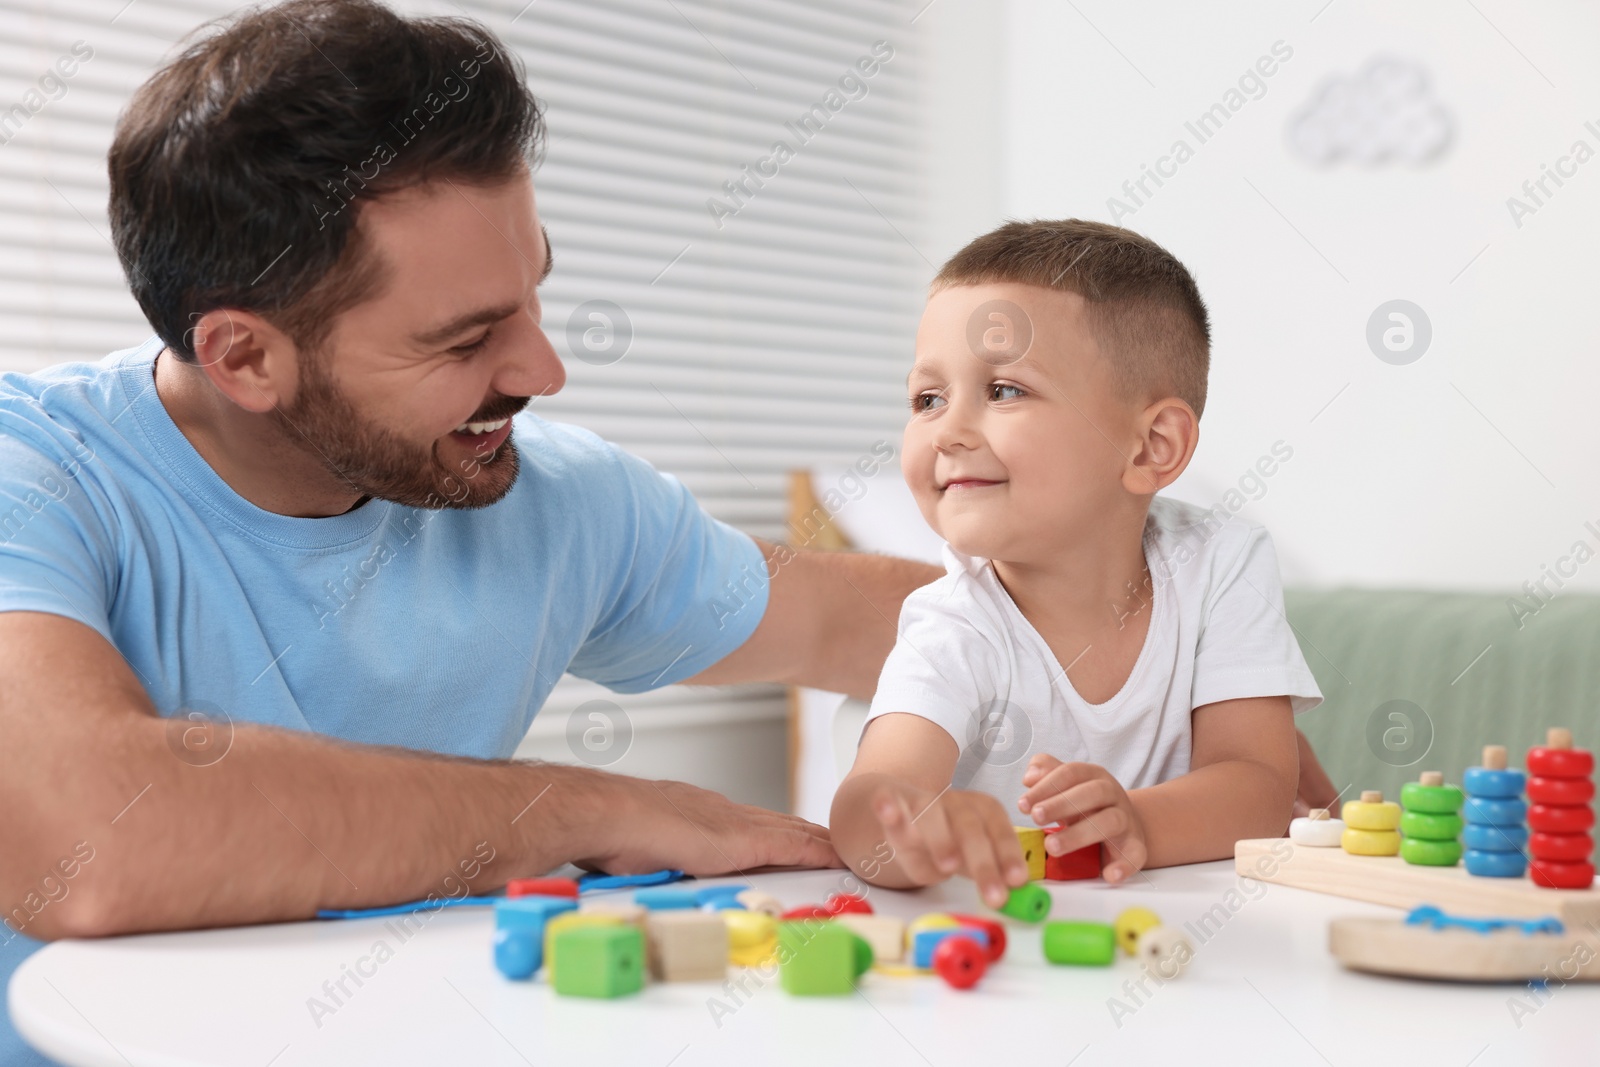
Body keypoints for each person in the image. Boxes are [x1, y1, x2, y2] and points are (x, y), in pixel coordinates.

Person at [0, 1, 941, 1057]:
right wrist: (574, 807)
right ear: (246, 357)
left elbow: (905, 625)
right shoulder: (32, 473)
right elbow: (82, 838)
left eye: (532, 293)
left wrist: (1134, 585)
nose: (544, 371)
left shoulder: (554, 500)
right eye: (465, 339)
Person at [831, 219, 1330, 909]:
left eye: (1004, 389)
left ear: (1151, 445)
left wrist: (1137, 821)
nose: (946, 429)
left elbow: (1258, 784)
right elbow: (869, 802)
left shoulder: (1219, 562)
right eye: (928, 399)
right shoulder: (954, 625)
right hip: (1017, 952)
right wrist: (907, 823)